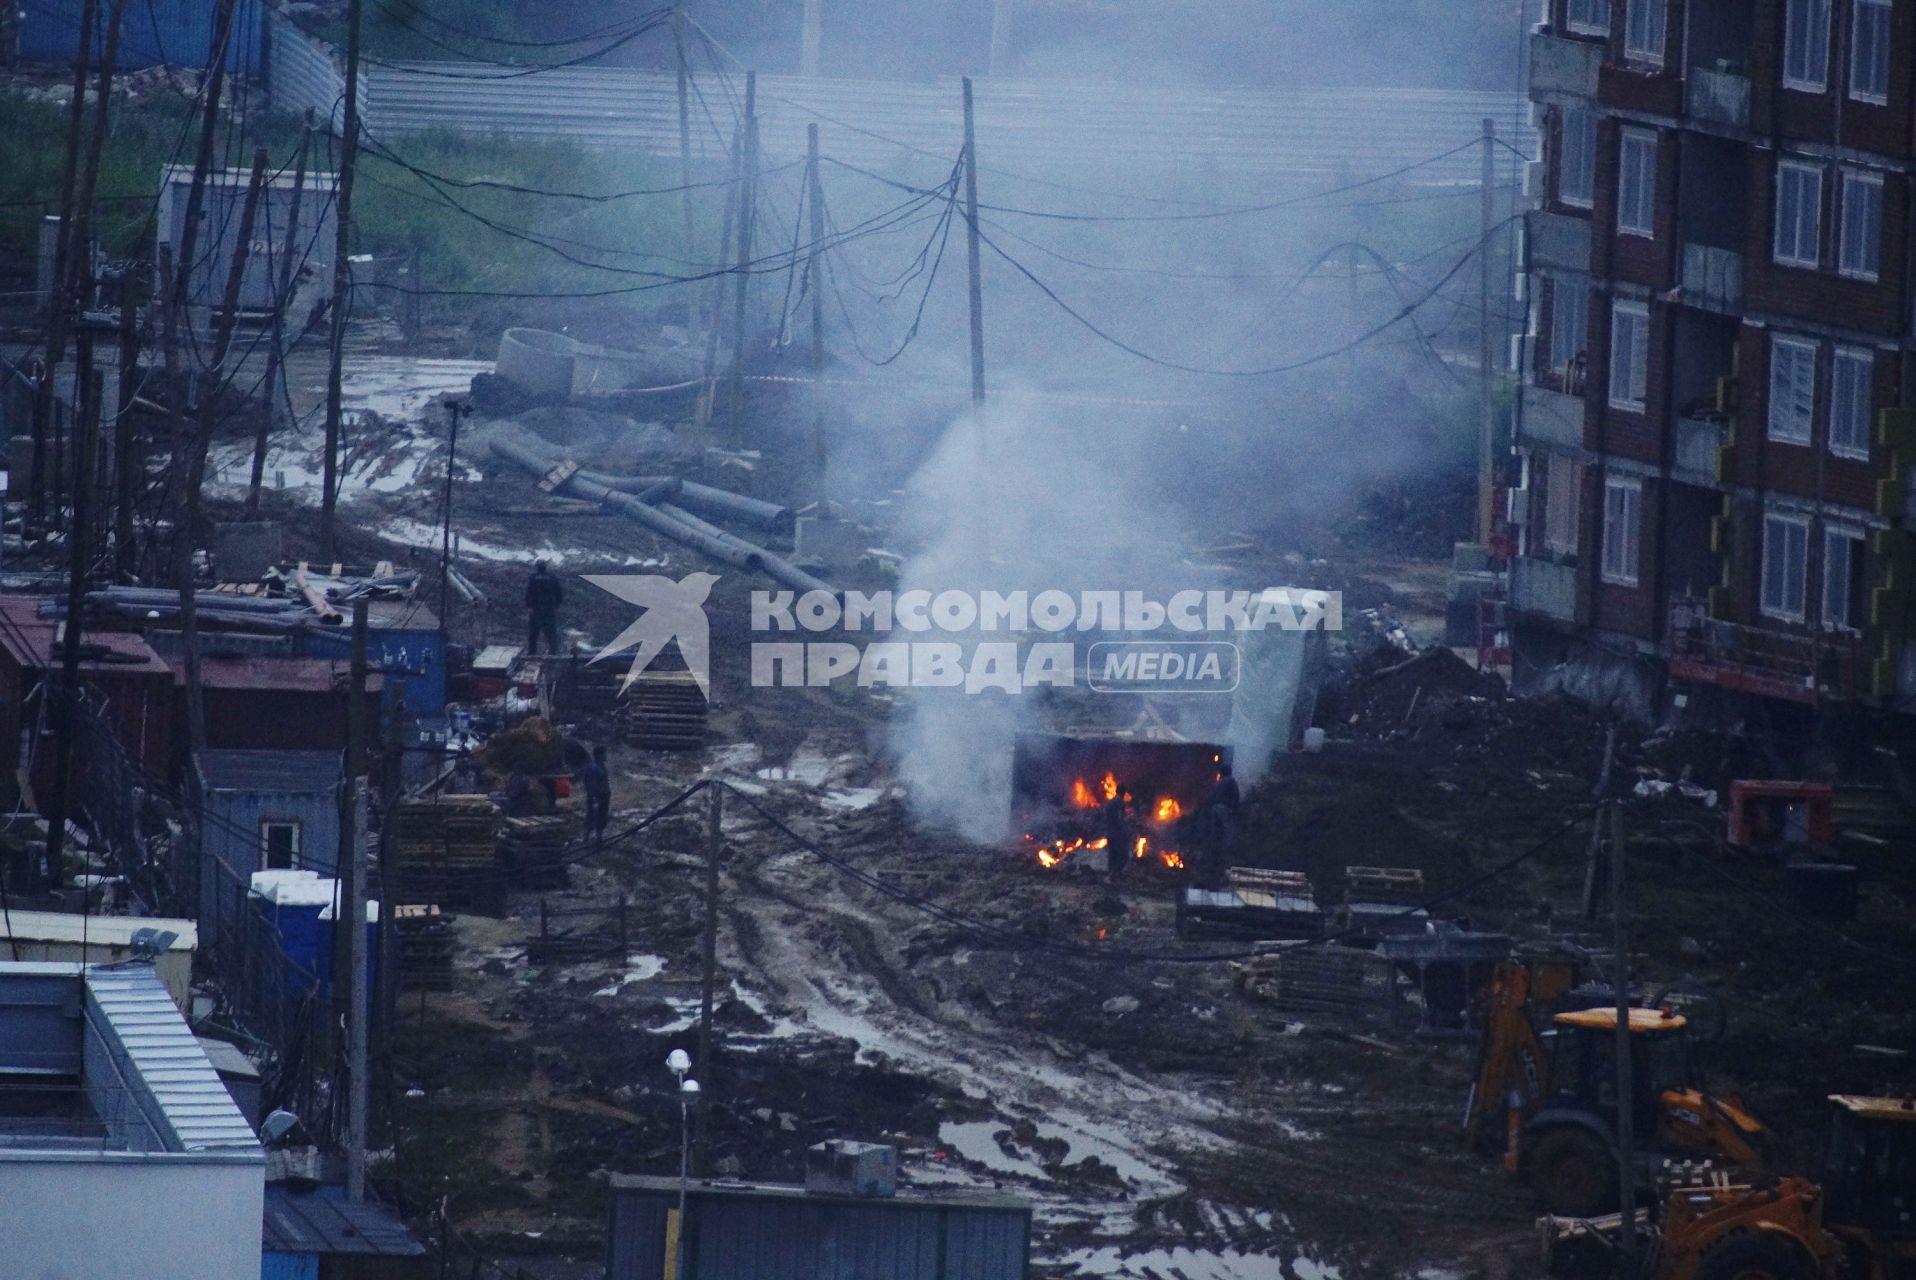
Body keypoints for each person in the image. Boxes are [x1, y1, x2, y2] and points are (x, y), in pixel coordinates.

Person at [1205, 763, 1241, 883]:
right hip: (1224, 808)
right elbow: (1235, 797)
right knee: (1228, 830)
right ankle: (1227, 848)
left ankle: (1215, 848)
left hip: (1214, 809)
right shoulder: (1231, 781)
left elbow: (1211, 797)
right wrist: (1235, 809)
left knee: (1216, 832)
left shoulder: (1218, 783)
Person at [525, 561, 563, 655]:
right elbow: (559, 592)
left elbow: (529, 592)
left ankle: (531, 653)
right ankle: (554, 654)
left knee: (534, 633)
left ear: (537, 567)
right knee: (551, 633)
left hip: (536, 609)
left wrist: (529, 606)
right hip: (549, 609)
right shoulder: (552, 577)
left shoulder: (533, 578)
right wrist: (557, 605)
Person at [583, 745, 612, 843]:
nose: (606, 756)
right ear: (599, 755)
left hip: (604, 796)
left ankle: (599, 838)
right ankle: (586, 840)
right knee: (591, 818)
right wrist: (593, 798)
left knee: (602, 818)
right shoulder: (593, 767)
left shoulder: (601, 766)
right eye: (604, 753)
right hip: (596, 797)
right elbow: (590, 784)